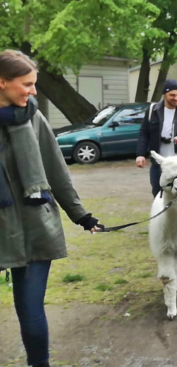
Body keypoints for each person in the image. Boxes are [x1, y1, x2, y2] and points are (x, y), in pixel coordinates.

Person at [0, 50, 102, 367]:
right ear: (2, 82)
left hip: (34, 227)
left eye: (34, 84)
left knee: (29, 309)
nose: (33, 91)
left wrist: (81, 216)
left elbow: (56, 172)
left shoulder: (34, 118)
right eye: (27, 84)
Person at [135, 79, 177, 197]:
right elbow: (144, 133)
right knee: (158, 193)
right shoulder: (153, 111)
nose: (176, 98)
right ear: (164, 95)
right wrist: (140, 154)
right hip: (159, 162)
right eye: (172, 95)